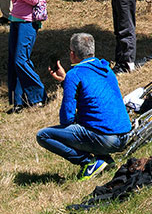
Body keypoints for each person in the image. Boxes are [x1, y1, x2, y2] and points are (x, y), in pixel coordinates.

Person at [37, 32, 131, 180]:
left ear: (72, 54)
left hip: (106, 138)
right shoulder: (106, 69)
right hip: (125, 135)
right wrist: (65, 81)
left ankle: (89, 162)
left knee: (43, 135)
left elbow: (66, 118)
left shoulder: (74, 74)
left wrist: (68, 80)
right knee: (89, 121)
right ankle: (104, 159)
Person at [0, 0, 48, 111]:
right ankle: (18, 101)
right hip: (16, 19)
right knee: (14, 61)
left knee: (21, 59)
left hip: (28, 20)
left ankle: (39, 95)